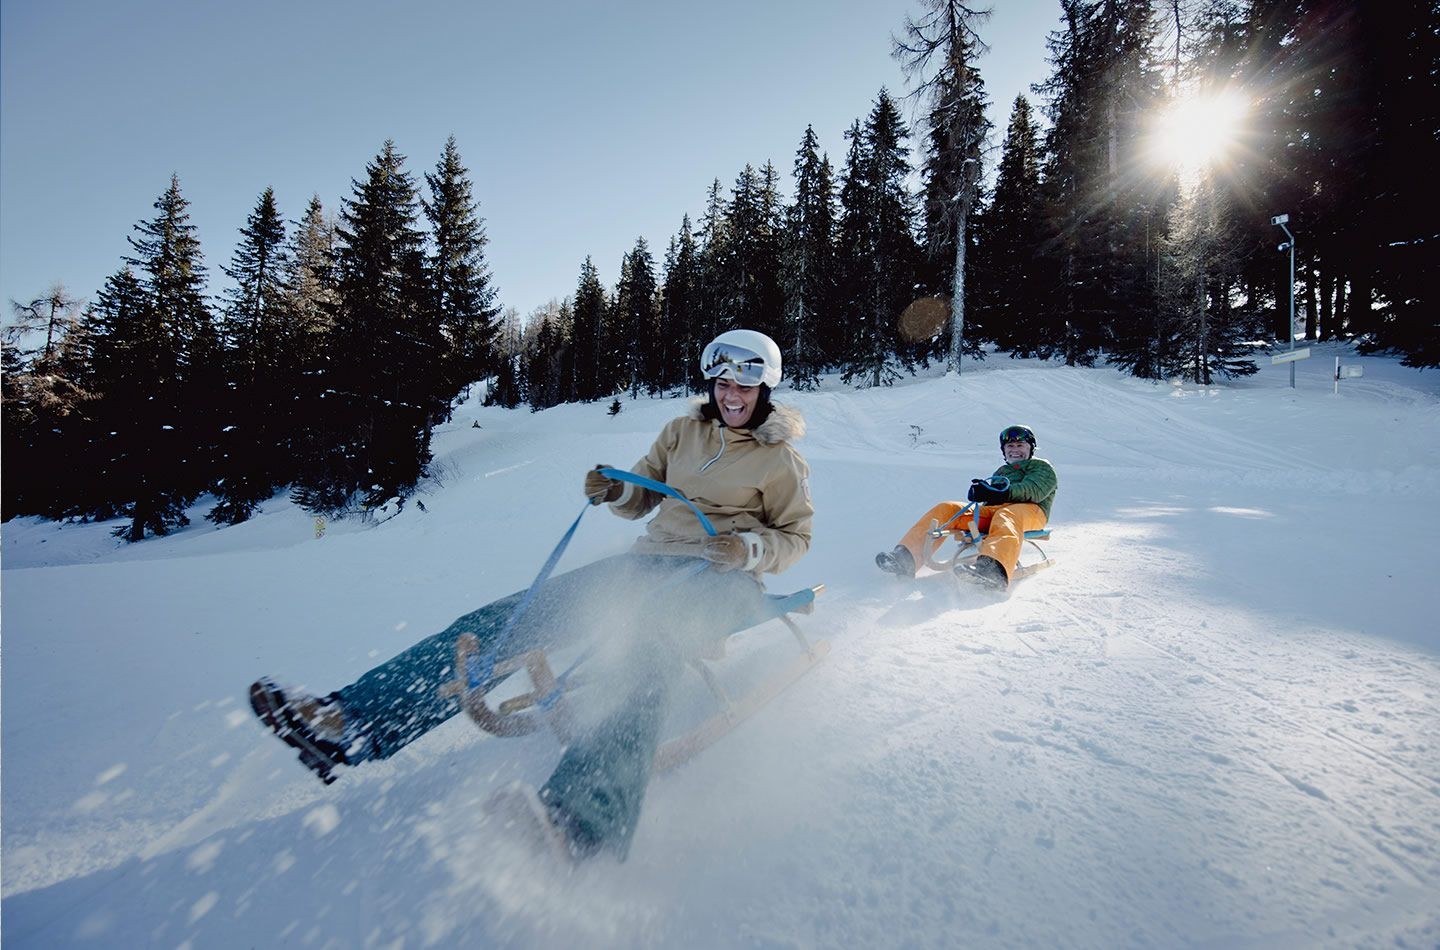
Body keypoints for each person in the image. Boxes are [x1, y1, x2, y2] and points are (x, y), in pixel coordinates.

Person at [250, 328, 812, 861]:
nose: (731, 392)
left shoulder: (778, 458)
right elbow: (639, 498)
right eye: (723, 380)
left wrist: (748, 551)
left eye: (745, 382)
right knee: (509, 617)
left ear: (766, 387)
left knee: (652, 643)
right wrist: (617, 488)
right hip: (650, 565)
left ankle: (583, 822)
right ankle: (353, 723)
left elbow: (796, 537)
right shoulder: (680, 432)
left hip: (725, 582)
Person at [875, 424, 1056, 589]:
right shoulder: (1001, 472)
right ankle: (905, 558)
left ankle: (994, 570)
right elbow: (992, 501)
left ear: (1030, 448)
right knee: (947, 508)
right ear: (1004, 450)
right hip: (997, 513)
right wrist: (983, 494)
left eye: (1020, 445)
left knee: (1007, 515)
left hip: (1031, 512)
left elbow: (1034, 489)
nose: (1014, 450)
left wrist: (999, 493)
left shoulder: (1041, 466)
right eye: (1010, 446)